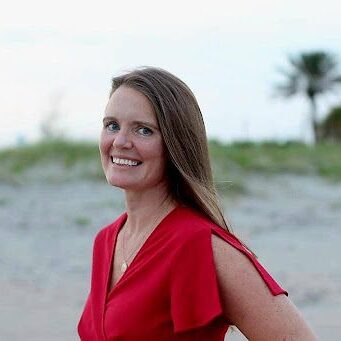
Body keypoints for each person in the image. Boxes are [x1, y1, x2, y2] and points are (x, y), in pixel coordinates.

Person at [78, 67, 317, 340]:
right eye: (112, 125)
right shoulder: (106, 241)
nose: (120, 141)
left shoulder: (201, 245)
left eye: (143, 130)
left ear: (175, 143)